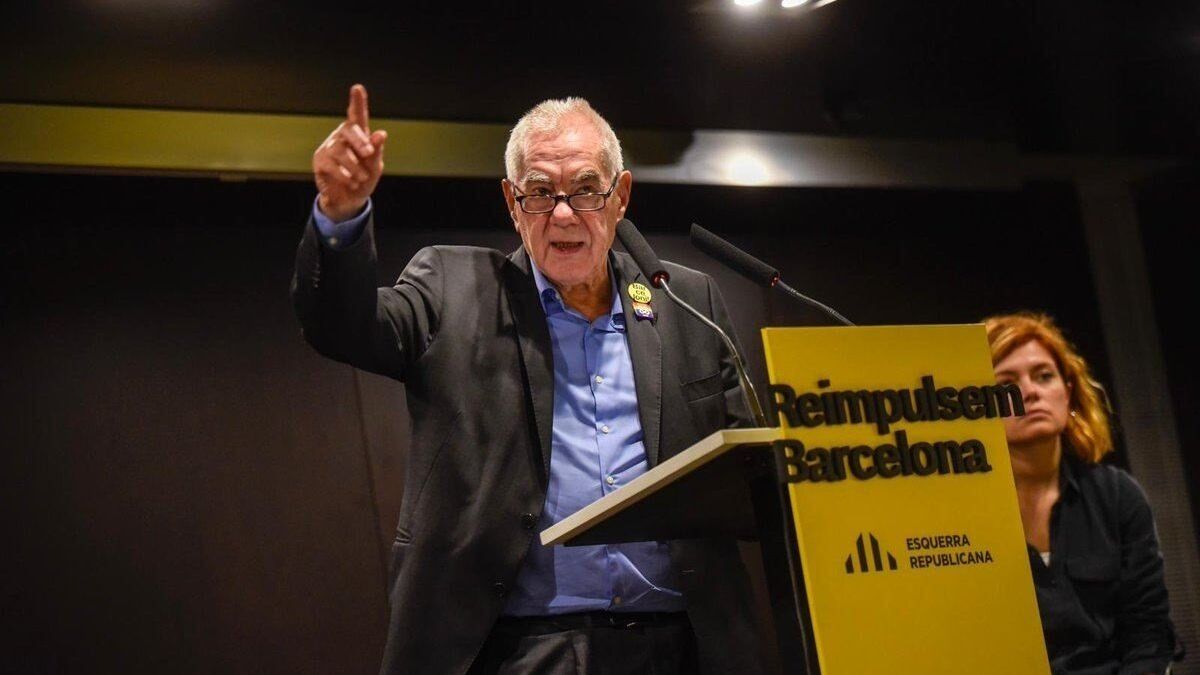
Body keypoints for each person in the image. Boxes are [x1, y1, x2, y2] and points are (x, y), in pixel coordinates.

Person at [293, 84, 767, 674]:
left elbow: (754, 474)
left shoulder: (685, 301)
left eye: (585, 190)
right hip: (520, 650)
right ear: (512, 204)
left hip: (682, 646)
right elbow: (342, 326)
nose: (563, 214)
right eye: (540, 192)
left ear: (619, 197)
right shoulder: (451, 290)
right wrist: (340, 216)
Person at [984, 312, 1176, 675]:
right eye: (1006, 383)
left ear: (1068, 391)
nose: (1030, 392)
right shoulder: (961, 513)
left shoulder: (1117, 495)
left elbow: (1149, 634)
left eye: (1044, 375)